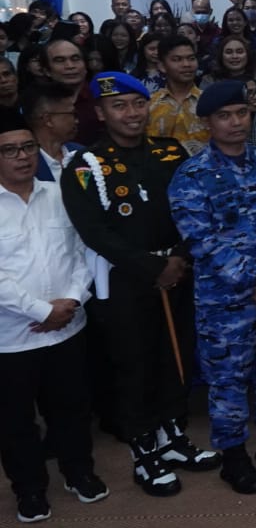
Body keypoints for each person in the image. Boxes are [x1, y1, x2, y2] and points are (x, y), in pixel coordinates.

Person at [61, 71, 218, 496]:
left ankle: (172, 436)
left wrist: (181, 259)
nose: (131, 113)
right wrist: (154, 269)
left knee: (175, 358)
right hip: (125, 283)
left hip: (178, 274)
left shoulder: (170, 154)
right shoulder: (86, 166)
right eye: (119, 106)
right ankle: (143, 451)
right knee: (135, 365)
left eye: (137, 103)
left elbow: (193, 210)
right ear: (100, 112)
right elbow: (95, 232)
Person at [168, 81, 256, 495]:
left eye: (241, 114)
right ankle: (233, 457)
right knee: (228, 381)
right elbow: (202, 242)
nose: (234, 123)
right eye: (224, 116)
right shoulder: (191, 175)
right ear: (208, 122)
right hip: (224, 302)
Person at [0, 106, 107, 523]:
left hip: (67, 328)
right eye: (10, 150)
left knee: (72, 407)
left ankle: (78, 472)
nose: (23, 157)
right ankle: (28, 489)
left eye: (28, 147)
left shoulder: (59, 193)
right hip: (11, 336)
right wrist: (41, 309)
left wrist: (72, 301)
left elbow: (83, 253)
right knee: (15, 421)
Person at [148, 36, 207, 155]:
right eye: (177, 59)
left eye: (191, 58)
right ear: (162, 66)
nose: (186, 64)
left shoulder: (210, 101)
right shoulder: (149, 105)